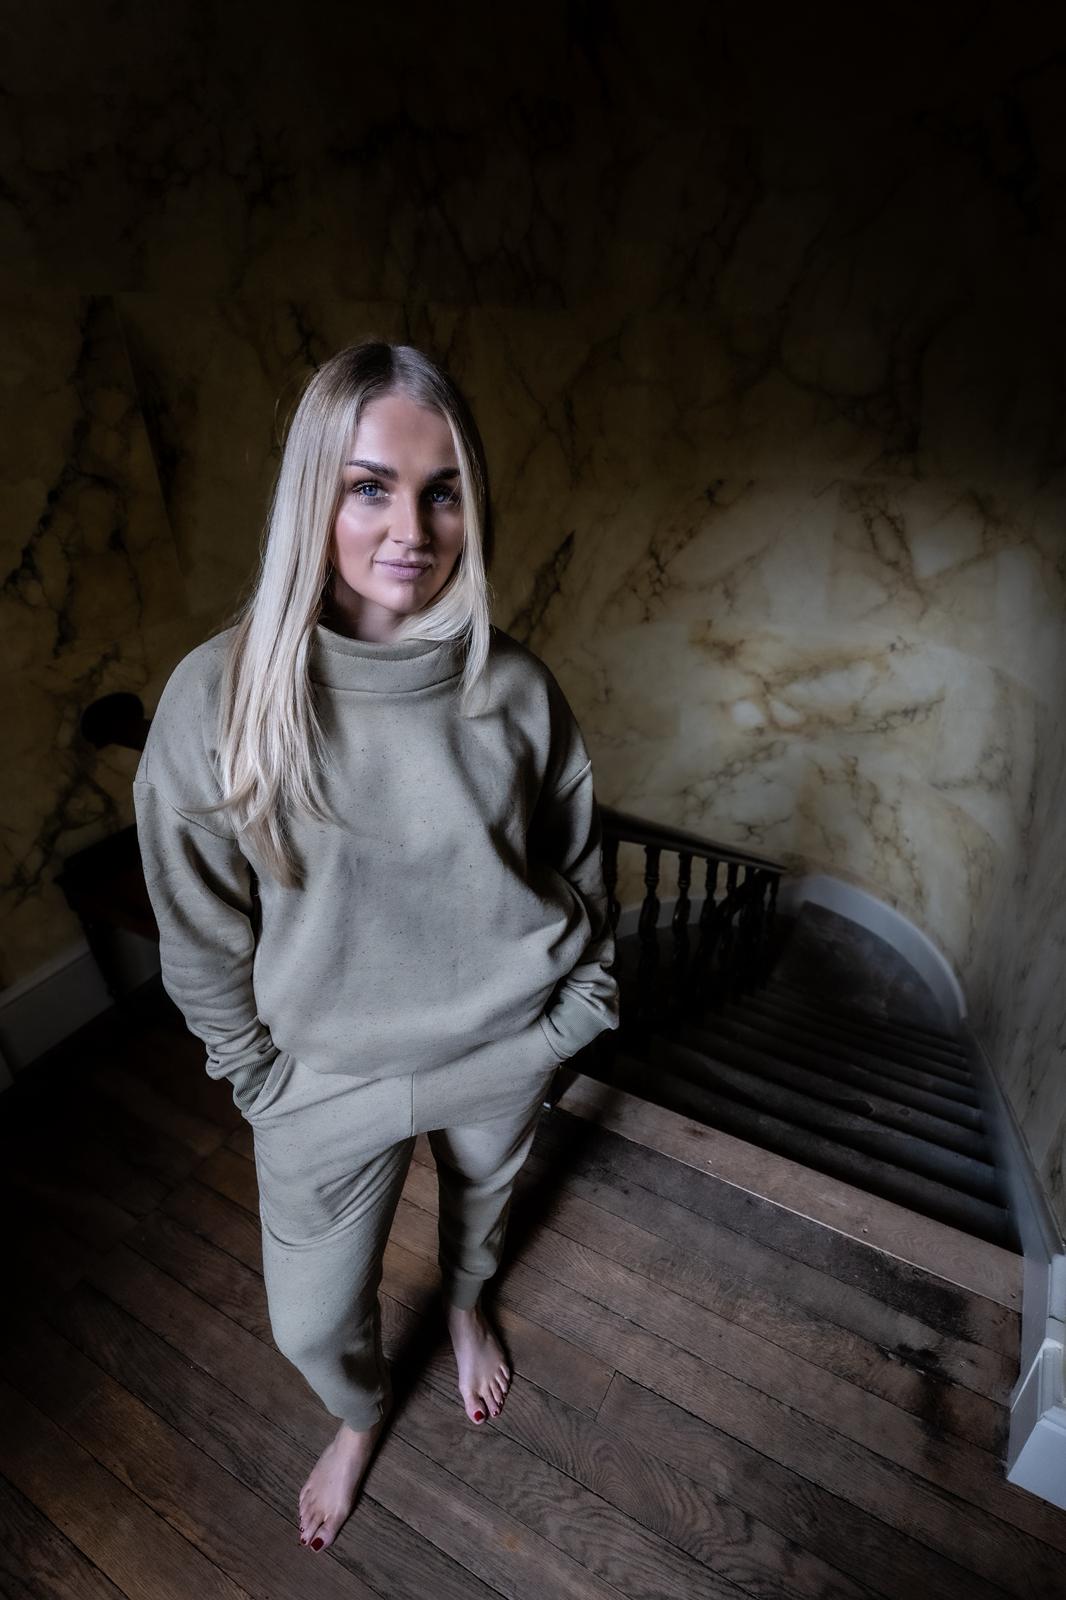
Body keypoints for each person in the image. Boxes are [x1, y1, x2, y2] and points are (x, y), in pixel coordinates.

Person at [132, 339, 620, 1553]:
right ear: (315, 495)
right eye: (370, 485)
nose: (413, 525)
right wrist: (259, 1076)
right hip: (322, 1078)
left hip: (505, 1037)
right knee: (309, 1322)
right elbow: (197, 931)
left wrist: (574, 1013)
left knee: (480, 1211)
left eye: (441, 487)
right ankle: (358, 1415)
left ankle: (463, 1306)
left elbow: (577, 859)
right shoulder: (217, 700)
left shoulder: (513, 687)